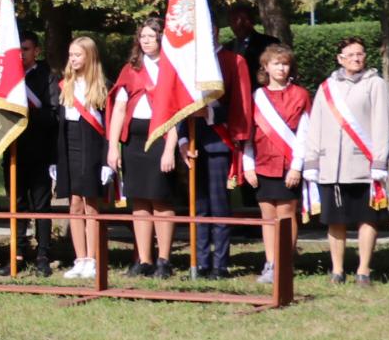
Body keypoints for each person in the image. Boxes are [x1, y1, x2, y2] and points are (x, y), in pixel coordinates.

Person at [302, 35, 389, 285]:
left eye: (360, 53)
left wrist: (379, 162)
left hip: (363, 166)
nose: (356, 58)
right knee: (335, 220)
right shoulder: (327, 87)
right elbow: (315, 126)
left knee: (368, 218)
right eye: (350, 55)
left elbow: (382, 124)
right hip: (331, 167)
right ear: (340, 59)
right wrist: (312, 161)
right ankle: (337, 270)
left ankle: (363, 270)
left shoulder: (375, 84)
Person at [108, 19, 182, 278]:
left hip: (160, 139)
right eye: (143, 36)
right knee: (138, 199)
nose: (146, 41)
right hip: (133, 143)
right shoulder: (131, 69)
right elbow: (119, 109)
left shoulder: (172, 68)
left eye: (152, 36)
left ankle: (164, 260)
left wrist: (170, 148)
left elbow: (177, 112)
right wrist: (113, 146)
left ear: (162, 38)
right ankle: (144, 259)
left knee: (160, 199)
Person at [183, 32, 254, 279]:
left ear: (214, 31)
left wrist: (210, 114)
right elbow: (179, 103)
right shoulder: (188, 61)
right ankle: (201, 262)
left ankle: (220, 264)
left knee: (219, 207)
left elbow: (240, 104)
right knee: (199, 207)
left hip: (219, 143)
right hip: (193, 144)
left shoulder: (232, 61)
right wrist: (182, 139)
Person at [244, 42, 308, 286]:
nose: (281, 68)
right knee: (268, 215)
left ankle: (284, 262)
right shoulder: (256, 97)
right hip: (262, 164)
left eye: (285, 64)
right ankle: (270, 262)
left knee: (286, 214)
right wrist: (248, 165)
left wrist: (297, 166)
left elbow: (305, 133)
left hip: (288, 166)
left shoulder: (300, 95)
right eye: (276, 63)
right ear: (266, 67)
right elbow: (248, 134)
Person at [51, 37, 111, 279]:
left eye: (77, 55)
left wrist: (107, 161)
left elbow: (109, 127)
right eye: (71, 55)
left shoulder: (103, 86)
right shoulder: (65, 85)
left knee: (90, 203)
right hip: (69, 145)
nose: (73, 59)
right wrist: (55, 159)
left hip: (92, 147)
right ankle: (80, 259)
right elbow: (59, 126)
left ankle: (93, 259)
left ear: (89, 56)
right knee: (74, 203)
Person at [9, 36, 58, 275]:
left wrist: (26, 115)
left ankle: (43, 254)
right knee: (17, 204)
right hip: (14, 152)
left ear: (36, 50)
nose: (21, 53)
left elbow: (53, 114)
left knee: (41, 206)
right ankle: (17, 252)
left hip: (40, 151)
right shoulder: (9, 79)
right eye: (18, 49)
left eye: (26, 49)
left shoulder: (47, 77)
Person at [227, 2, 273, 68]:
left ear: (253, 21)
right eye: (235, 20)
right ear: (229, 24)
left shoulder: (269, 43)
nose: (240, 24)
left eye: (244, 19)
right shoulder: (227, 48)